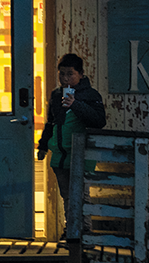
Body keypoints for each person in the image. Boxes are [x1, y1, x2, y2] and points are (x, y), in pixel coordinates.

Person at [37, 53, 107, 219]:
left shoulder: (91, 95)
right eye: (62, 74)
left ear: (81, 74)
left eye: (70, 74)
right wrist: (43, 146)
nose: (65, 78)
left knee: (81, 195)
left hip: (81, 155)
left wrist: (75, 104)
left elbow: (99, 121)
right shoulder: (56, 95)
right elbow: (50, 123)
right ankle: (72, 231)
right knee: (67, 196)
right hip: (60, 157)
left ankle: (84, 231)